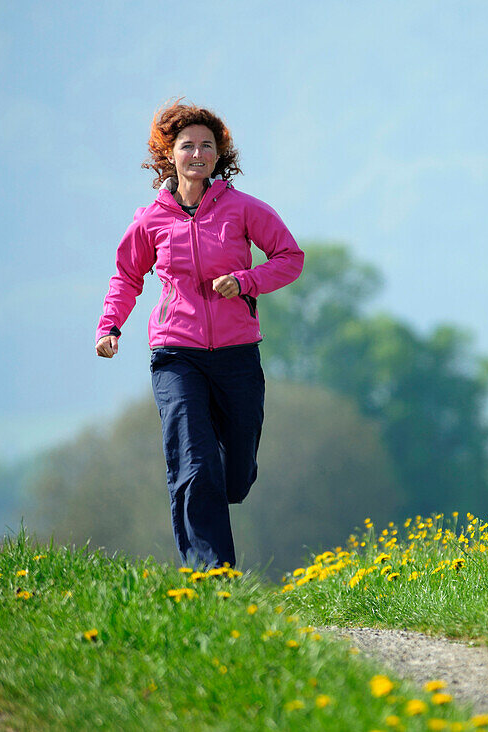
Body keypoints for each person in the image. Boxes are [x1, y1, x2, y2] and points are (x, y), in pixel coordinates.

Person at [95, 101, 304, 568]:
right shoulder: (151, 219)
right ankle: (211, 577)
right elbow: (127, 276)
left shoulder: (243, 209)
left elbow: (290, 257)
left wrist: (246, 281)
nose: (197, 153)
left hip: (236, 353)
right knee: (195, 463)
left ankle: (231, 474)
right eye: (187, 145)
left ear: (218, 154)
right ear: (168, 154)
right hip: (177, 353)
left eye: (206, 145)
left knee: (233, 476)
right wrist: (111, 326)